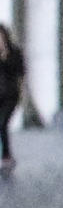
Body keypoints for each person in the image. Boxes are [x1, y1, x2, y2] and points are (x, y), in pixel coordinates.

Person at [0, 19, 23, 177]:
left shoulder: (14, 52)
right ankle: (7, 155)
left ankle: (7, 155)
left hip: (10, 95)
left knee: (2, 123)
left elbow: (20, 73)